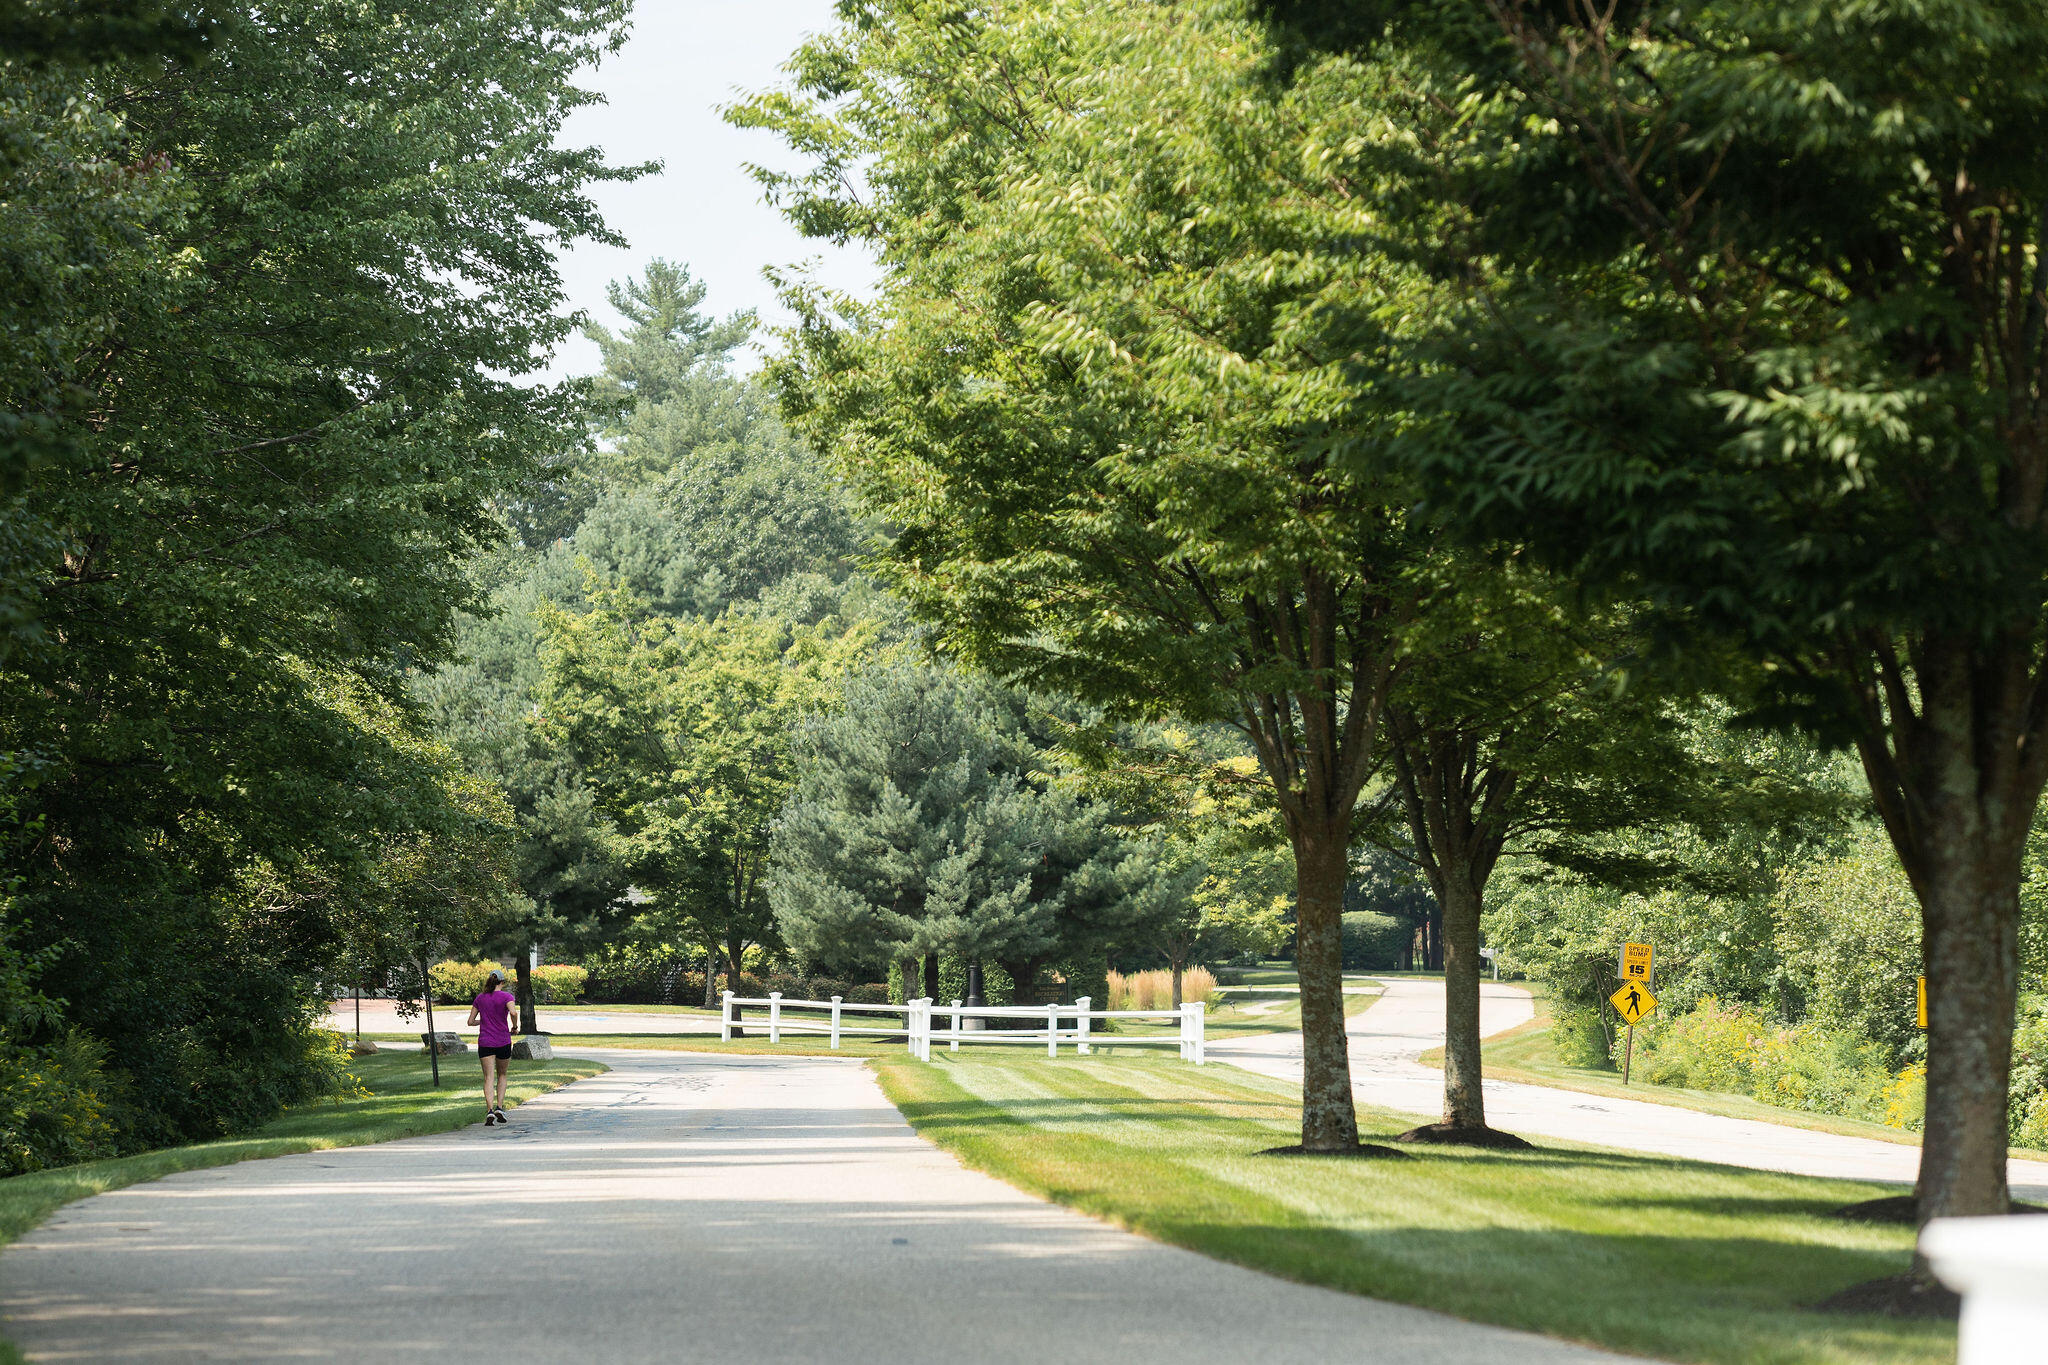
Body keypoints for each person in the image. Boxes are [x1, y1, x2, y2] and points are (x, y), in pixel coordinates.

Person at [466, 970, 518, 1126]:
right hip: (503, 1041)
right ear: (502, 982)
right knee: (502, 1074)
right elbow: (513, 1012)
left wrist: (486, 1020)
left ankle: (489, 1110)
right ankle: (499, 1107)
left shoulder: (480, 998)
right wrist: (515, 1026)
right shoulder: (507, 997)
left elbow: (470, 1021)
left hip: (485, 1042)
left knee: (488, 1077)